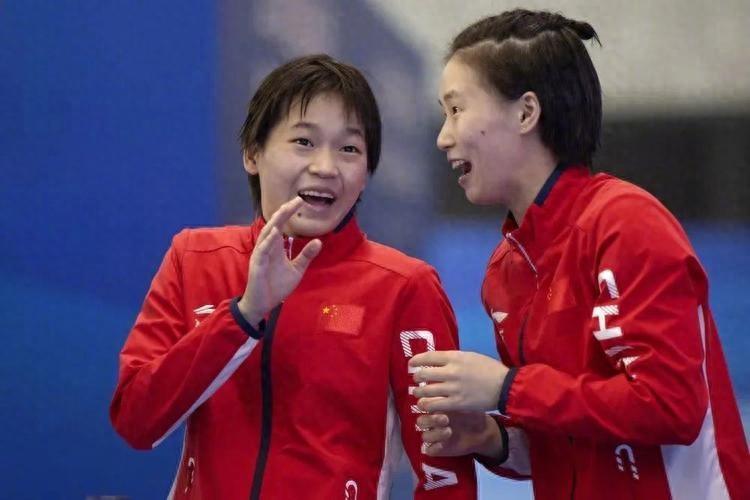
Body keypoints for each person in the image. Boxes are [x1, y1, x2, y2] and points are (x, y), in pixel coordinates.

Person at [409, 9, 749, 500]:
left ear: (526, 113)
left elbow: (670, 405)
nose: (443, 136)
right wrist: (491, 437)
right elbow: (564, 436)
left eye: (456, 109)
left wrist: (507, 388)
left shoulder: (626, 223)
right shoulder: (505, 271)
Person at [110, 54, 477, 499]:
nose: (326, 167)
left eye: (349, 149)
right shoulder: (195, 257)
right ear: (253, 153)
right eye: (304, 141)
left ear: (366, 174)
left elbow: (445, 473)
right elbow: (136, 420)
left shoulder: (405, 286)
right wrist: (244, 316)